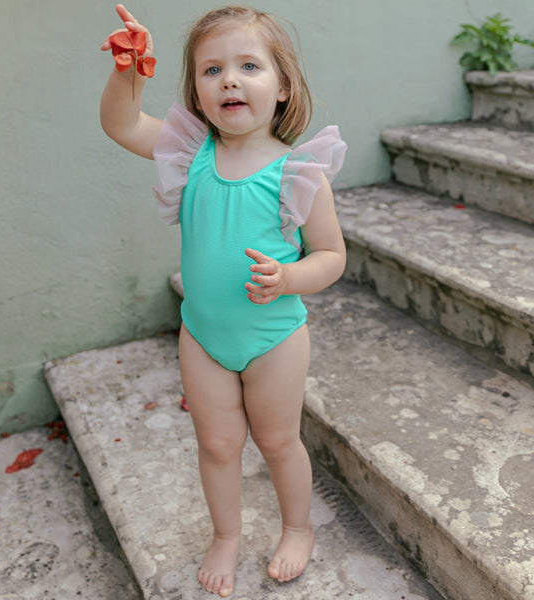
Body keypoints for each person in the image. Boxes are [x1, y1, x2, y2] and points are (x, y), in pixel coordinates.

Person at [100, 4, 347, 597]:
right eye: (211, 71)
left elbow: (331, 257)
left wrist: (288, 279)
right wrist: (128, 69)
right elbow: (121, 123)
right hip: (204, 335)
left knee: (278, 440)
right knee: (215, 444)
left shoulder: (299, 172)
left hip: (274, 337)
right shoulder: (190, 153)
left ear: (282, 87)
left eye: (248, 66)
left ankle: (296, 527)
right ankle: (226, 536)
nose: (229, 79)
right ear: (198, 92)